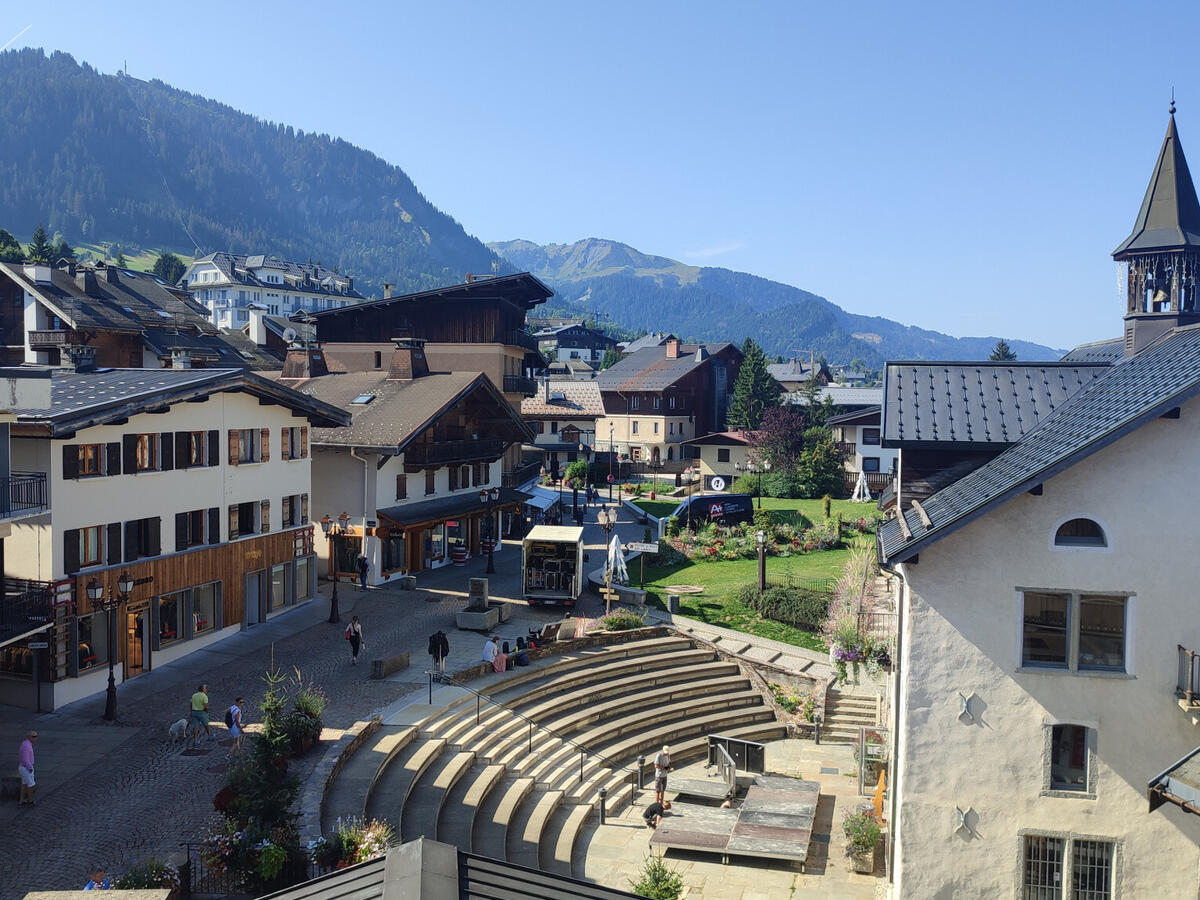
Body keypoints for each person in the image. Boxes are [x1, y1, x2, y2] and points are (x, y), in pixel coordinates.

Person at [17, 730, 36, 807]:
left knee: (24, 785)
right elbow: (25, 759)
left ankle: (21, 802)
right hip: (26, 768)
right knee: (31, 785)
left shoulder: (25, 743)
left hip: (22, 767)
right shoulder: (27, 746)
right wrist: (30, 768)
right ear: (29, 737)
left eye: (36, 736)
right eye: (33, 736)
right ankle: (30, 801)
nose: (35, 738)